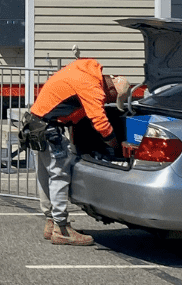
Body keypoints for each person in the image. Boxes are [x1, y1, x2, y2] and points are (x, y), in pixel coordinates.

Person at [26, 58, 130, 246]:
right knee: (59, 176)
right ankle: (62, 229)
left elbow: (73, 106)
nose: (109, 101)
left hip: (35, 123)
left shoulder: (82, 71)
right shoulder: (92, 86)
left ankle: (51, 221)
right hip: (50, 129)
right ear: (112, 90)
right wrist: (114, 145)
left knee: (45, 174)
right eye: (113, 98)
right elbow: (100, 121)